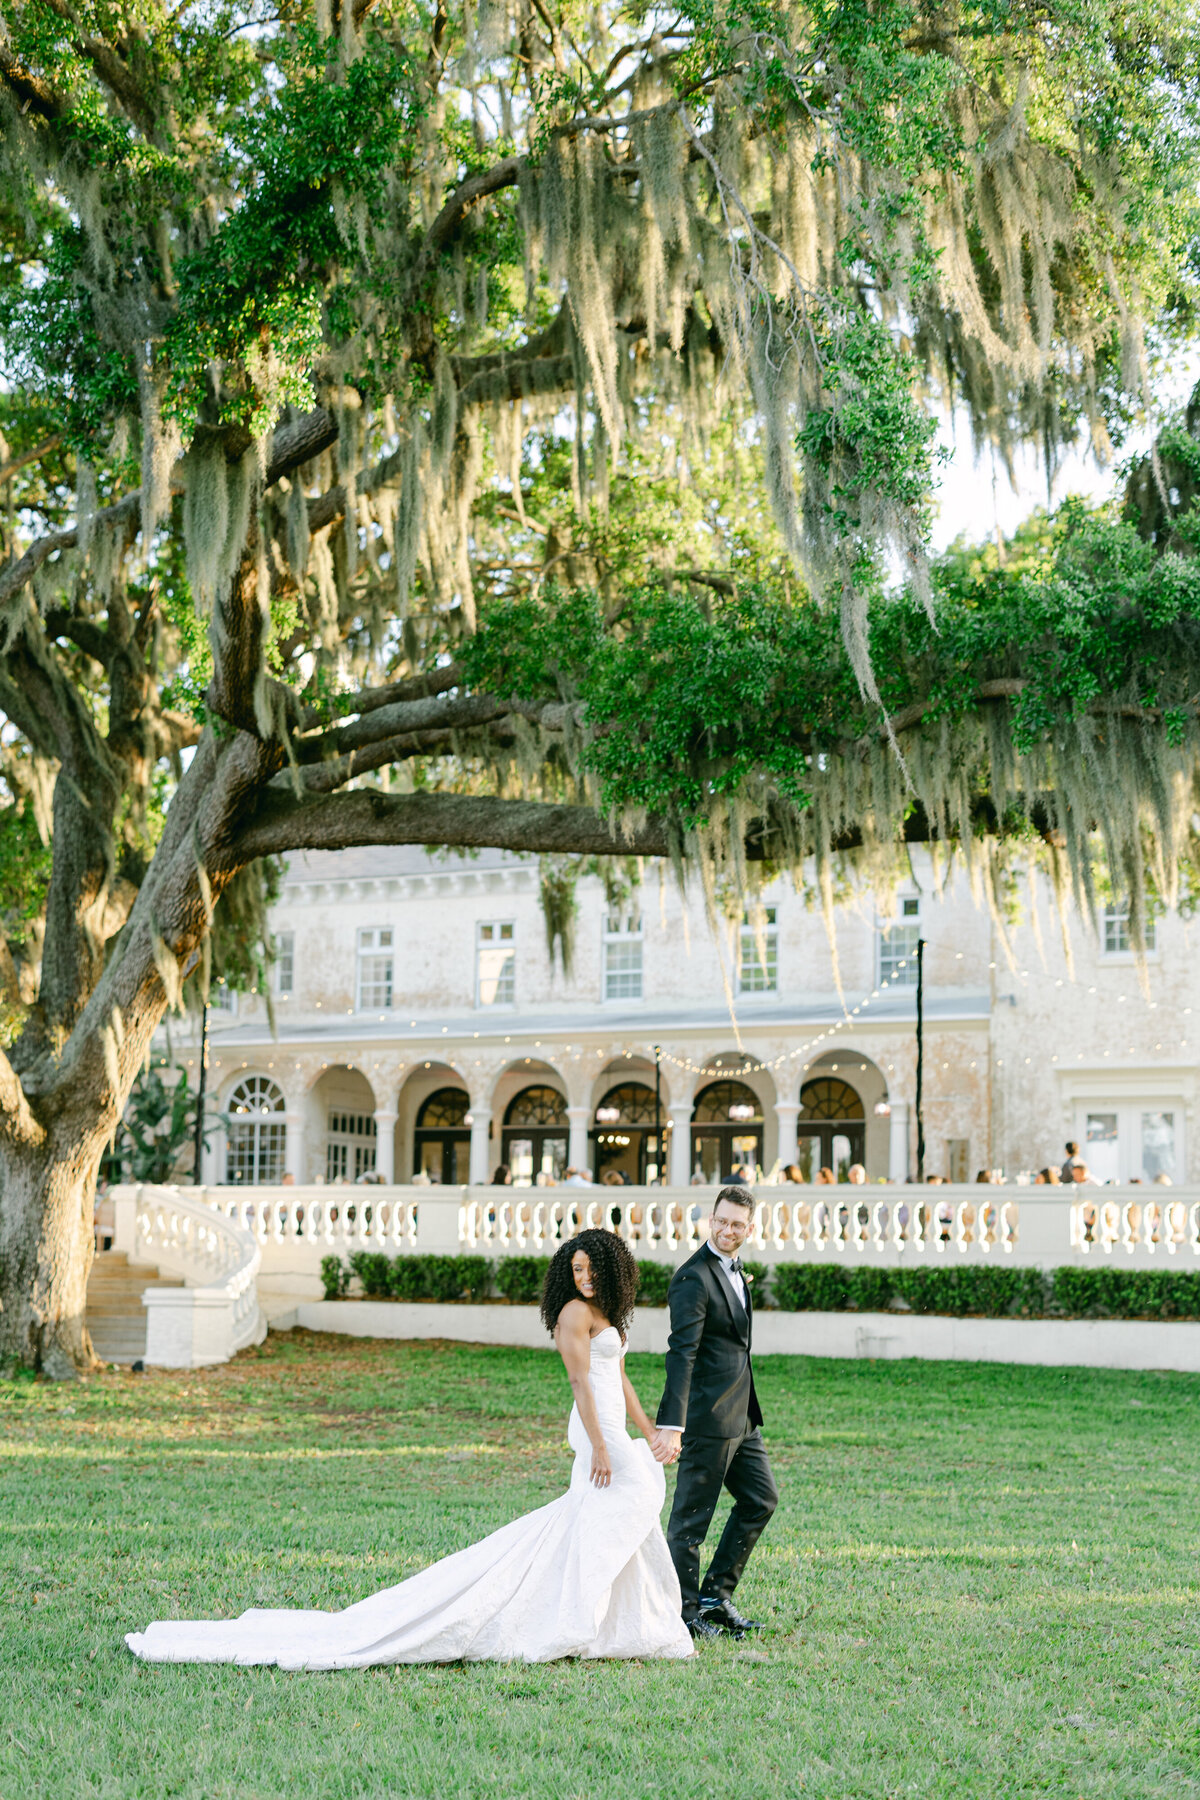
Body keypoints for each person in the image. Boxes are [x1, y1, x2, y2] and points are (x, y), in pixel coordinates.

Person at [126, 1230, 693, 1667]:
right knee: (635, 1495)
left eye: (592, 1269)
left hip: (614, 1428)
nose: (584, 1277)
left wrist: (648, 1430)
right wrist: (598, 1444)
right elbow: (579, 1385)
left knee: (611, 1512)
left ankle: (620, 1622)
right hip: (595, 1431)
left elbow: (619, 1378)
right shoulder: (572, 1314)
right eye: (576, 1269)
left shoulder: (605, 1316)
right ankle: (578, 1619)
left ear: (612, 1270)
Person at [651, 1186, 779, 1642]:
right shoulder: (693, 1278)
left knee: (761, 1500)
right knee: (690, 1523)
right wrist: (673, 1424)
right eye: (721, 1221)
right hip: (706, 1419)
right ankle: (683, 1614)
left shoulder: (734, 1270)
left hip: (742, 1417)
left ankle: (714, 1596)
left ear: (749, 1227)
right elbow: (680, 1352)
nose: (728, 1230)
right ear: (711, 1219)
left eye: (737, 1224)